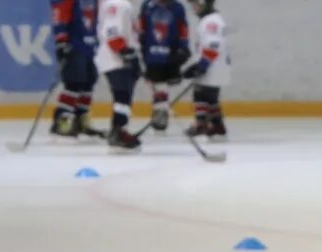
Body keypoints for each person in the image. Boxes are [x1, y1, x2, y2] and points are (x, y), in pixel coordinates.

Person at [93, 0, 146, 149]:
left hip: (119, 58)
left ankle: (120, 130)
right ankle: (118, 131)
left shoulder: (120, 4)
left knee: (124, 96)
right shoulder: (116, 4)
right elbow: (112, 31)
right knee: (122, 95)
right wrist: (123, 51)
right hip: (114, 58)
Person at [137, 0, 191, 134]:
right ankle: (160, 112)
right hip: (152, 54)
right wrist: (139, 48)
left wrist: (184, 47)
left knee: (164, 84)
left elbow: (183, 29)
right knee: (158, 84)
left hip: (171, 53)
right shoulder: (147, 6)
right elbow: (141, 29)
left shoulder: (178, 7)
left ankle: (160, 112)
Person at [48, 0, 99, 138]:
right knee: (74, 83)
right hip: (73, 45)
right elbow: (59, 14)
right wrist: (61, 40)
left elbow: (95, 18)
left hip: (89, 45)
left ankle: (80, 119)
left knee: (89, 81)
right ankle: (62, 120)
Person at [181, 0, 228, 141]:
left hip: (212, 66)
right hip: (218, 66)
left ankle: (201, 123)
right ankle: (217, 126)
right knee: (211, 98)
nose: (193, 8)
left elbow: (214, 44)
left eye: (195, 4)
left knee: (200, 95)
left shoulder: (210, 21)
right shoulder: (213, 19)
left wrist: (202, 65)